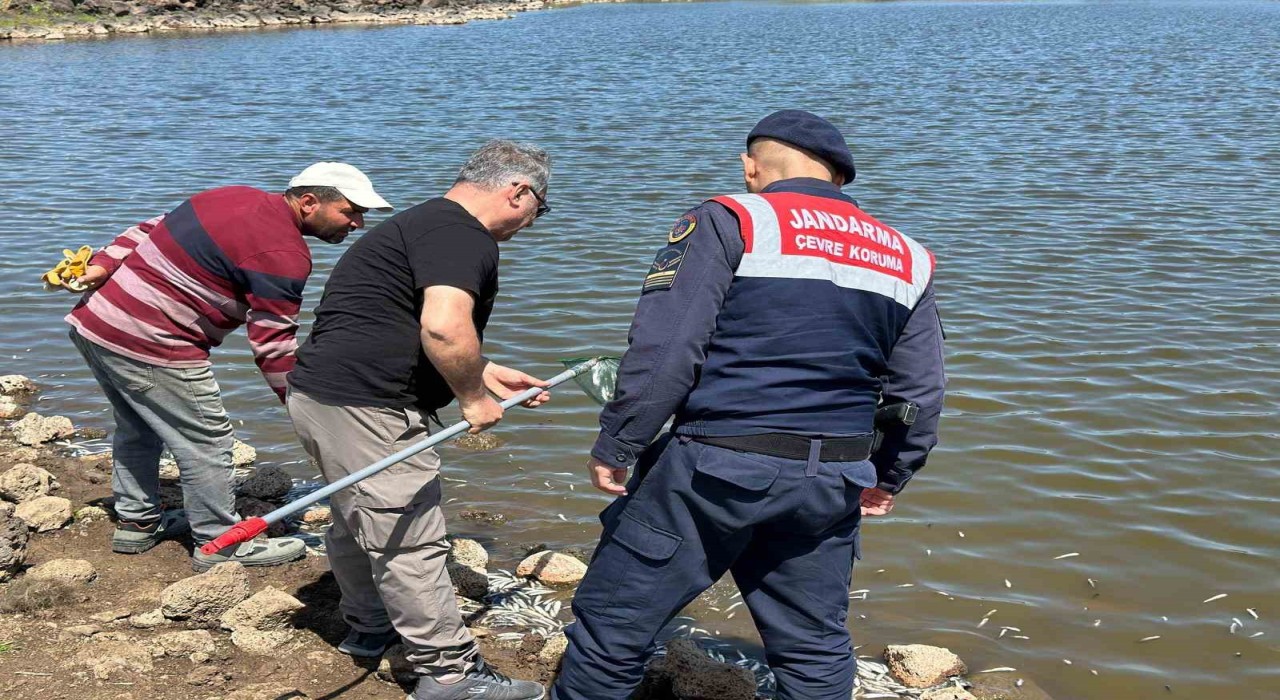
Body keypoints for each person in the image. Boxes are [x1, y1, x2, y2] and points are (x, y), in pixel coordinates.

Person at [551, 110, 947, 700]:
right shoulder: (907, 255)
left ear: (751, 166)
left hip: (716, 470)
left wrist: (620, 441)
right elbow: (920, 392)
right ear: (840, 176)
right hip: (832, 480)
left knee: (613, 629)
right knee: (813, 649)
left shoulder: (732, 217)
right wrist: (888, 475)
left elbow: (667, 350)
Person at [286, 140, 554, 700]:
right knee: (407, 534)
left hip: (321, 395)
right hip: (366, 404)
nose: (532, 223)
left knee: (358, 516)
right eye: (540, 209)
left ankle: (368, 628)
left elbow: (395, 321)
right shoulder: (462, 235)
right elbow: (441, 328)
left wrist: (486, 373)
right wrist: (472, 398)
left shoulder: (426, 223)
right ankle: (449, 675)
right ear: (518, 191)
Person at [65, 163, 391, 572]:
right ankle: (220, 542)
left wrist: (101, 263)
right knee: (208, 442)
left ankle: (136, 522)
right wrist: (303, 406)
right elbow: (272, 345)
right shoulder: (284, 255)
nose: (358, 223)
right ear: (309, 202)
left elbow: (148, 228)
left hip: (97, 322)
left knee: (138, 425)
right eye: (351, 211)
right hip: (153, 344)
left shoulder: (228, 196)